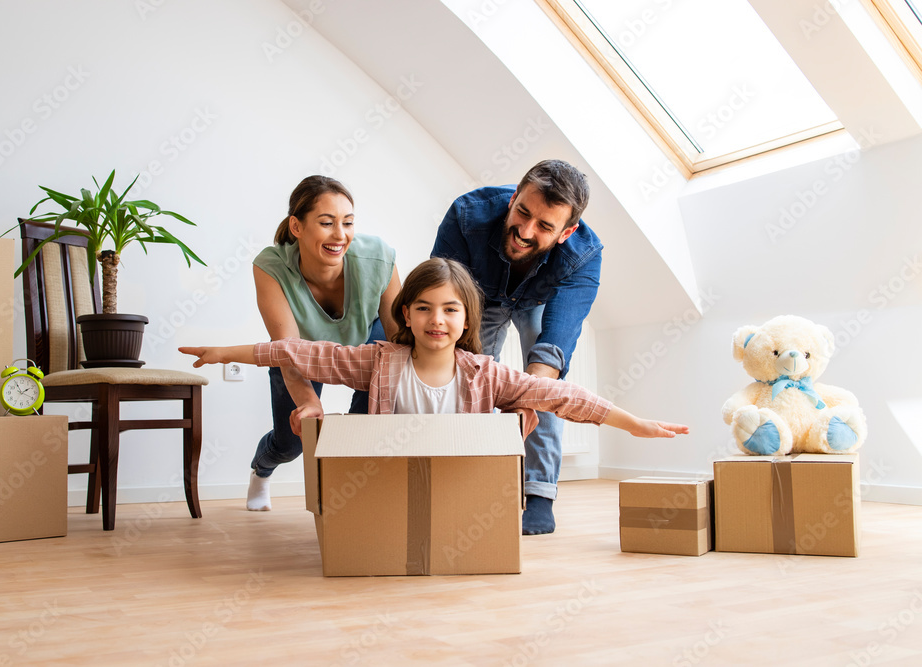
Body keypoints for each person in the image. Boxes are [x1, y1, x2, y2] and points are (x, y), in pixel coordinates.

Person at [181, 258, 687, 473]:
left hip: (456, 480)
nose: (436, 320)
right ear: (405, 314)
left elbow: (565, 397)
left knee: (531, 410)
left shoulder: (484, 372)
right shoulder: (380, 362)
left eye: (449, 309)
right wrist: (228, 354)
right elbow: (303, 353)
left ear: (466, 317)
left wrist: (634, 424)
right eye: (423, 307)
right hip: (386, 476)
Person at [431, 159, 602, 535]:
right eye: (522, 212)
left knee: (544, 390)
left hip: (541, 301)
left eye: (544, 226)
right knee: (467, 378)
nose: (524, 231)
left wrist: (525, 401)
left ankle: (539, 494)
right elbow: (442, 297)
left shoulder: (584, 257)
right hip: (476, 297)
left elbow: (554, 347)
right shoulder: (466, 216)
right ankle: (466, 481)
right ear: (513, 199)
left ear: (566, 231)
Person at [245, 175, 401, 511]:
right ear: (297, 227)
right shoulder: (270, 266)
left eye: (347, 223)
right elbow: (287, 349)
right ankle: (262, 469)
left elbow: (400, 340)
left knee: (367, 426)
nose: (340, 235)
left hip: (366, 342)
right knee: (291, 443)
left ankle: (356, 505)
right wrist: (307, 403)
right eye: (327, 223)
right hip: (298, 352)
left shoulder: (378, 257)